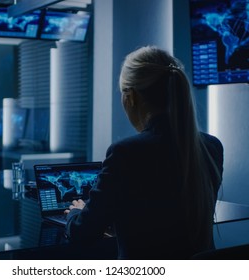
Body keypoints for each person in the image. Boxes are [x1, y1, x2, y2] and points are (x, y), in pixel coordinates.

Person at [64, 46, 224, 259]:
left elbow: (82, 234)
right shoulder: (212, 146)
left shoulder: (125, 153)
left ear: (130, 97)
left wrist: (76, 213)